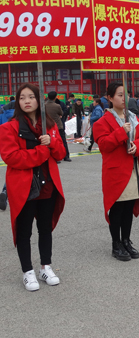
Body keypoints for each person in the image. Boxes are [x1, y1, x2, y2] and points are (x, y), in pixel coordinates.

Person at [0, 83, 66, 291]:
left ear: (39, 100)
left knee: (45, 229)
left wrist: (52, 143)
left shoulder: (49, 126)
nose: (27, 101)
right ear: (18, 102)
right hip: (24, 188)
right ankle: (27, 271)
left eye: (31, 97)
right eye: (22, 98)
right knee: (24, 231)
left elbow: (61, 154)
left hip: (48, 186)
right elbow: (11, 157)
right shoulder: (8, 127)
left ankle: (45, 266)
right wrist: (41, 152)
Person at [93, 82, 139, 261]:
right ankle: (115, 243)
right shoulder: (102, 121)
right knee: (117, 209)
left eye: (126, 94)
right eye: (119, 95)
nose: (124, 98)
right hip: (116, 171)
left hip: (133, 169)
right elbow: (103, 145)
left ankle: (126, 240)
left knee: (128, 208)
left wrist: (136, 146)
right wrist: (120, 133)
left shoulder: (133, 118)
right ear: (109, 98)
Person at [45, 92, 68, 163]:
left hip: (47, 126)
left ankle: (53, 157)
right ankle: (66, 156)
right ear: (55, 97)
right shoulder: (57, 106)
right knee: (62, 141)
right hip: (57, 125)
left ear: (47, 97)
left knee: (50, 142)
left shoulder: (43, 105)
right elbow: (61, 113)